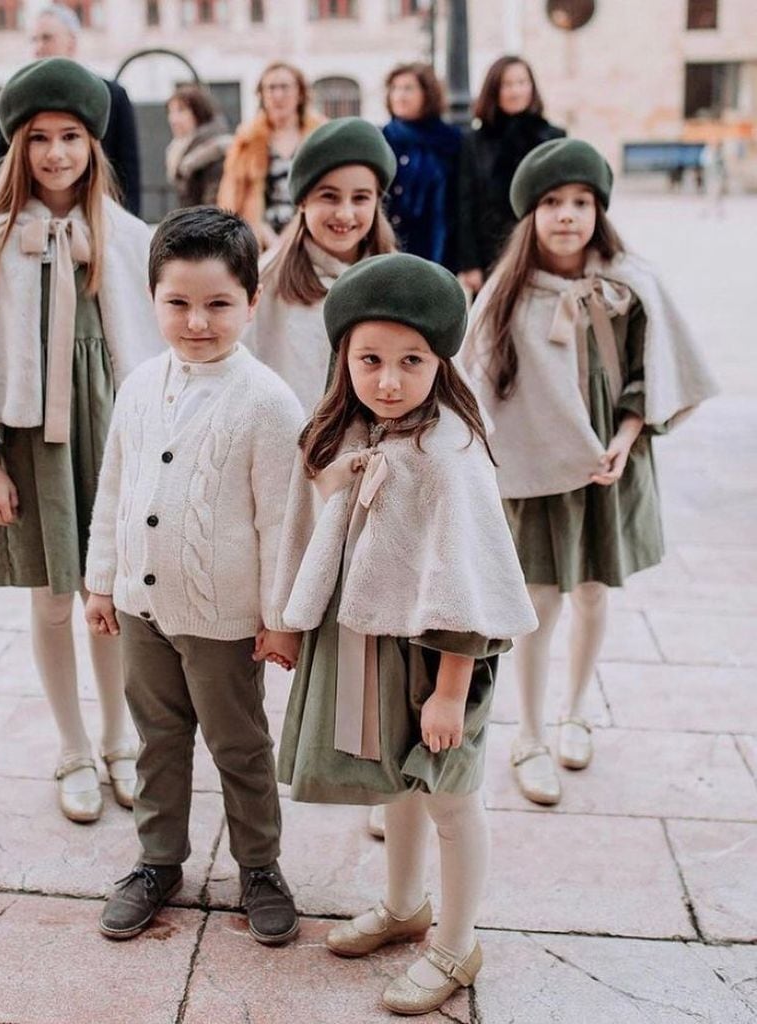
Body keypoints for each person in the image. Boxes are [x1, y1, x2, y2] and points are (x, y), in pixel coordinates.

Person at [271, 253, 538, 1015]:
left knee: (449, 799)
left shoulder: (450, 454)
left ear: (439, 359)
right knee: (394, 785)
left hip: (442, 657)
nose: (387, 378)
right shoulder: (360, 430)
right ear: (344, 358)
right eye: (370, 359)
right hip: (376, 643)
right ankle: (402, 907)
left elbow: (468, 585)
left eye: (410, 361)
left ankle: (456, 943)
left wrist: (450, 691)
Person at [0, 58, 164, 823]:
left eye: (71, 137)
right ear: (17, 148)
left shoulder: (124, 239)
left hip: (110, 440)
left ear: (92, 145)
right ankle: (72, 746)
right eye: (39, 138)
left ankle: (121, 740)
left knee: (109, 599)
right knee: (53, 600)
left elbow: (157, 348)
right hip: (32, 446)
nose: (55, 153)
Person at [459, 139, 718, 806]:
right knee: (538, 604)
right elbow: (478, 385)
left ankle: (577, 713)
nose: (566, 215)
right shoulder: (508, 293)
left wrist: (626, 436)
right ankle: (531, 736)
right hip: (538, 473)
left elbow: (648, 371)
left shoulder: (628, 283)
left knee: (595, 593)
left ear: (598, 211)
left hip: (612, 466)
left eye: (579, 202)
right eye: (551, 203)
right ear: (530, 215)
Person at [84, 206, 304, 946]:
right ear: (152, 299)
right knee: (158, 737)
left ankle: (260, 865)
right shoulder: (140, 383)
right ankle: (157, 861)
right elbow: (114, 485)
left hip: (223, 619)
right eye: (177, 303)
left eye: (218, 304)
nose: (197, 322)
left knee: (238, 743)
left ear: (251, 301)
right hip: (143, 606)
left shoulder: (268, 402)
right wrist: (100, 580)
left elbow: (282, 521)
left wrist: (280, 618)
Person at [243, 116, 397, 414]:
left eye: (360, 198)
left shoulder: (399, 280)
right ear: (302, 202)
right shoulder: (268, 280)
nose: (345, 213)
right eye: (329, 196)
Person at [0, 5, 142, 216]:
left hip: (100, 213)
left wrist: (126, 221)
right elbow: (0, 150)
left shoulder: (112, 94)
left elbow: (128, 167)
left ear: (71, 42)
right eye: (33, 39)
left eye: (46, 38)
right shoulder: (21, 96)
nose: (38, 47)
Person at [457, 56, 565, 292]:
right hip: (491, 254)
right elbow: (464, 204)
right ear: (494, 90)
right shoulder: (474, 142)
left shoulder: (553, 138)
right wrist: (469, 263)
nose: (515, 91)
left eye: (522, 82)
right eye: (507, 84)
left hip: (542, 249)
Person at [217, 61, 324, 250]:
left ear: (300, 93)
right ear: (262, 95)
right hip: (261, 241)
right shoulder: (247, 140)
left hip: (312, 235)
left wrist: (292, 234)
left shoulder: (320, 137)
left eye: (285, 87)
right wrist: (268, 238)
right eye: (271, 88)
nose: (278, 95)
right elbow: (232, 200)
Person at [382, 62, 461, 271]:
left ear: (427, 93)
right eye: (395, 88)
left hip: (437, 246)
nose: (400, 95)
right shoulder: (382, 139)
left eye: (408, 88)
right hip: (388, 248)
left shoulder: (450, 140)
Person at [165, 84, 232, 207]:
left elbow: (214, 209)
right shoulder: (180, 152)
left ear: (198, 112)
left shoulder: (215, 153)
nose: (173, 119)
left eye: (181, 110)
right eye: (171, 112)